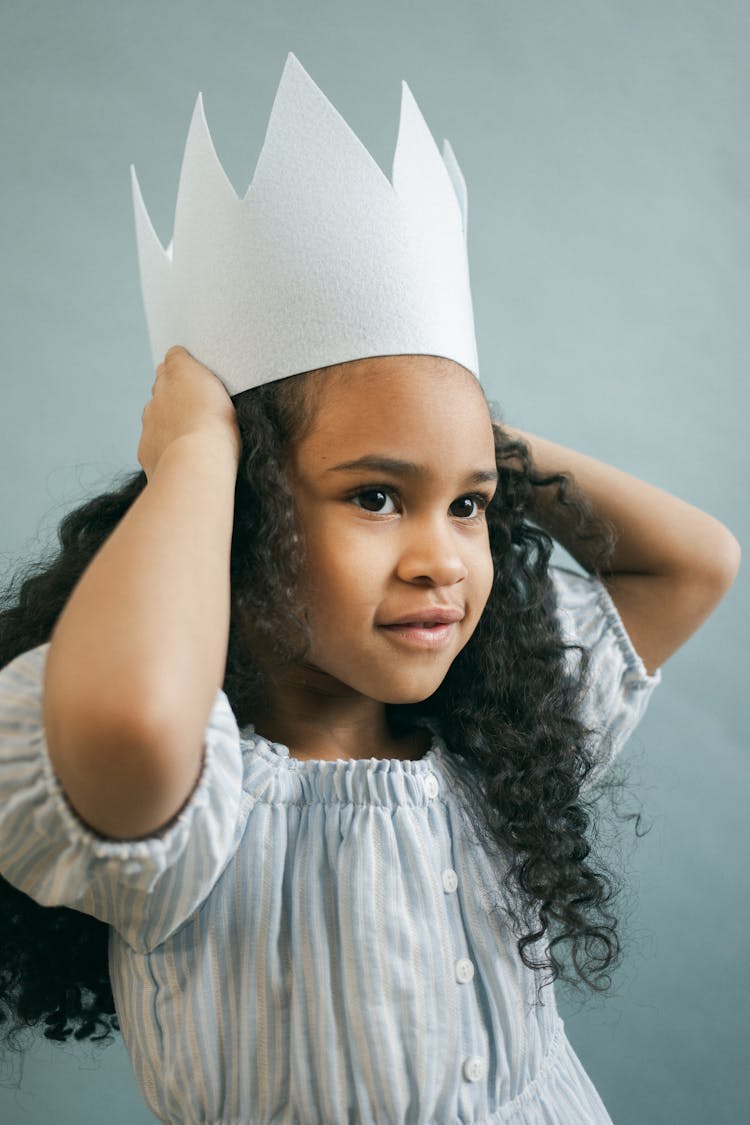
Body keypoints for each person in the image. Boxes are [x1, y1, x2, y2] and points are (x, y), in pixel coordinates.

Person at [0, 53, 742, 1124]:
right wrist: (199, 457)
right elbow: (124, 713)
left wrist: (461, 435)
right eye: (379, 498)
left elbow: (696, 559)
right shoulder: (193, 796)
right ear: (247, 513)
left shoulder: (494, 745)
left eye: (472, 507)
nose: (443, 555)